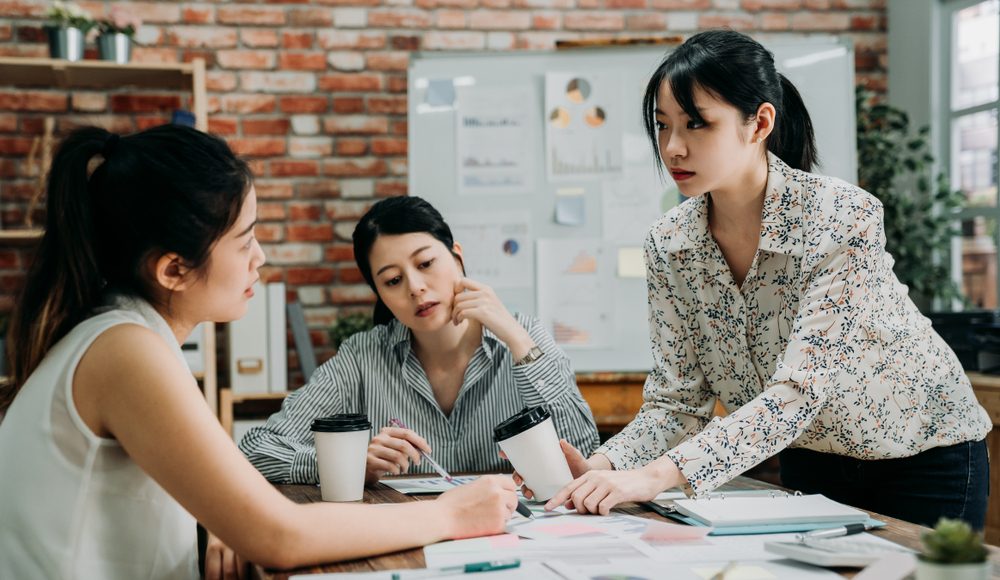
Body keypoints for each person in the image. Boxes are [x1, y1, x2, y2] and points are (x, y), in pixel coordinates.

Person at [0, 125, 518, 580]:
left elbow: (248, 508)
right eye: (245, 240)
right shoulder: (125, 351)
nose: (261, 257)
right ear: (173, 270)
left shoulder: (124, 336)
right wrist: (450, 515)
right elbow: (278, 537)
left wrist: (229, 517)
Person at [532, 30, 992, 529]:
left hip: (924, 456)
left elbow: (798, 392)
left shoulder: (841, 217)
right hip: (809, 456)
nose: (673, 147)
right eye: (663, 126)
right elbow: (678, 401)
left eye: (696, 124)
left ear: (760, 123)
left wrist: (657, 475)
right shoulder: (670, 244)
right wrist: (603, 468)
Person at [240, 196, 600, 485]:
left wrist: (518, 341)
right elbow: (256, 451)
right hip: (411, 540)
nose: (415, 288)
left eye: (426, 263)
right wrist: (347, 465)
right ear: (380, 294)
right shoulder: (362, 358)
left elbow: (583, 458)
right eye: (393, 281)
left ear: (457, 257)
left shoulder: (524, 338)